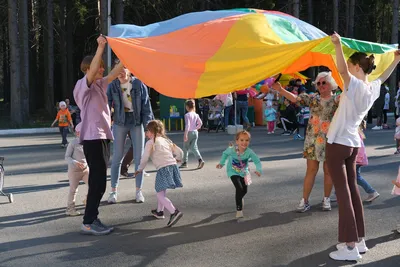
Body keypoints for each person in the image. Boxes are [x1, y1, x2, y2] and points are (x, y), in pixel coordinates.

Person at [326, 32, 400, 261]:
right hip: (352, 144)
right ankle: (360, 241)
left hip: (338, 143)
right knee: (353, 190)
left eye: (351, 64)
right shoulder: (373, 87)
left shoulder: (355, 85)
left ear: (357, 67)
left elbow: (341, 69)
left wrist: (338, 45)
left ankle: (349, 247)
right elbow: (384, 75)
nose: (347, 68)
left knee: (344, 194)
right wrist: (396, 61)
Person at [73, 35, 124, 236]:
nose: (102, 69)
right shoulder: (81, 86)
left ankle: (92, 217)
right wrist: (101, 47)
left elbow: (113, 74)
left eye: (102, 67)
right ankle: (88, 221)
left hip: (102, 136)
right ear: (87, 69)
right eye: (98, 66)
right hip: (92, 137)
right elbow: (94, 69)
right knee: (97, 180)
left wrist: (128, 58)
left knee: (100, 181)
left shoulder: (101, 84)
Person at [273, 71, 339, 213]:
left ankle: (326, 199)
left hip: (330, 140)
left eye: (324, 82)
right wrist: (280, 89)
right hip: (313, 140)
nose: (321, 85)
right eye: (318, 83)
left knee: (328, 171)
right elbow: (295, 99)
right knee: (311, 170)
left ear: (331, 84)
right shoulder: (313, 98)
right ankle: (305, 200)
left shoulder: (337, 100)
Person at [106, 60, 154, 204]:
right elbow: (106, 106)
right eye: (117, 68)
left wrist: (149, 128)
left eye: (123, 68)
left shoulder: (139, 85)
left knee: (139, 158)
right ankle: (113, 192)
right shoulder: (112, 86)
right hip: (120, 122)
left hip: (136, 121)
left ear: (130, 70)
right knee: (116, 158)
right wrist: (105, 124)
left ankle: (138, 191)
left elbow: (146, 107)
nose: (120, 71)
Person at [134, 120, 184, 227]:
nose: (146, 133)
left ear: (152, 131)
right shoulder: (167, 141)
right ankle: (159, 212)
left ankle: (174, 211)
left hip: (163, 169)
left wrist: (140, 169)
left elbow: (145, 158)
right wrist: (178, 160)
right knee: (161, 191)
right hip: (173, 166)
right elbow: (180, 152)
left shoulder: (150, 143)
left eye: (147, 130)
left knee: (159, 193)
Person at [216, 131, 262, 218]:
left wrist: (259, 170)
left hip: (244, 172)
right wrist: (221, 163)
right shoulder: (232, 150)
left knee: (244, 190)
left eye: (247, 140)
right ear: (237, 141)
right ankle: (239, 209)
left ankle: (240, 198)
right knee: (239, 188)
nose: (244, 142)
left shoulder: (249, 152)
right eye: (241, 140)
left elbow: (257, 161)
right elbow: (225, 154)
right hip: (232, 171)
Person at [64, 123, 88, 216]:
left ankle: (87, 200)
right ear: (77, 133)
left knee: (93, 185)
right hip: (74, 170)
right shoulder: (73, 143)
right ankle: (70, 209)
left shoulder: (88, 142)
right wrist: (75, 162)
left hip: (86, 169)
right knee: (73, 190)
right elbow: (67, 157)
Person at [356, 121, 379, 202]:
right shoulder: (359, 133)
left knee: (356, 177)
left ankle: (372, 191)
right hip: (358, 159)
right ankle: (337, 194)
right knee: (352, 177)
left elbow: (359, 150)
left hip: (356, 160)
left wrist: (356, 159)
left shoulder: (356, 135)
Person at [180, 99, 205, 169]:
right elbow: (200, 123)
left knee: (185, 148)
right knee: (194, 147)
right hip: (195, 132)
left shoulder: (187, 115)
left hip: (189, 132)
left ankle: (184, 162)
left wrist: (185, 134)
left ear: (187, 107)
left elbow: (187, 125)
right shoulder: (196, 114)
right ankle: (200, 160)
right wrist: (196, 128)